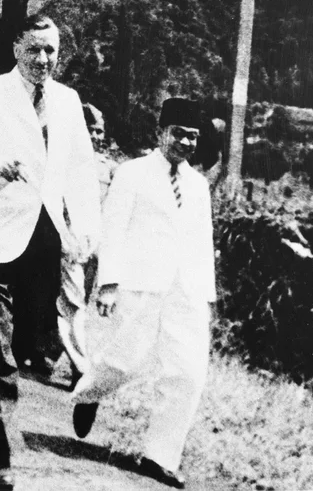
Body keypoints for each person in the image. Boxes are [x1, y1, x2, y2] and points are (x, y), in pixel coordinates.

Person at [0, 14, 101, 491]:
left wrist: (86, 231)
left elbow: (79, 169)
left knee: (28, 346)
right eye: (34, 49)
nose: (43, 60)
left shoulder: (68, 101)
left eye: (51, 51)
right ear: (16, 48)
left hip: (43, 240)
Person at [71, 97, 215, 490]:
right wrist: (108, 282)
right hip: (139, 284)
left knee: (187, 373)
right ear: (160, 133)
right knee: (124, 362)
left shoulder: (198, 186)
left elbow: (202, 243)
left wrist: (206, 297)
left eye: (193, 137)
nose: (186, 142)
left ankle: (159, 457)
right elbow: (113, 229)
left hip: (185, 291)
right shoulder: (133, 173)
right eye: (179, 134)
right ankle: (88, 394)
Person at [55, 103, 119, 383]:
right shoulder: (63, 162)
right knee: (73, 304)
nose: (95, 137)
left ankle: (49, 356)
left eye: (99, 132)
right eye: (90, 130)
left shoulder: (108, 167)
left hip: (96, 246)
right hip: (70, 244)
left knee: (78, 303)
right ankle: (82, 368)